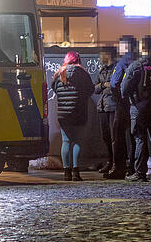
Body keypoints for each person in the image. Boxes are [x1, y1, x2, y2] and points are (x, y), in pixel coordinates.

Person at [121, 36, 151, 182]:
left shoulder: (136, 65)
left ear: (141, 48)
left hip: (139, 106)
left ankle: (140, 172)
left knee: (140, 139)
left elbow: (124, 88)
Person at [52, 51, 95, 181]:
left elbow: (54, 89)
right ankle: (76, 172)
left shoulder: (59, 73)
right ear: (77, 60)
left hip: (63, 114)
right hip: (78, 112)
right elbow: (91, 90)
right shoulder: (82, 73)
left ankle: (66, 172)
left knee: (66, 141)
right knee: (77, 141)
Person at [105, 36, 139, 179]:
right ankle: (133, 166)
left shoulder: (123, 61)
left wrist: (119, 100)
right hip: (137, 102)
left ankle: (119, 168)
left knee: (118, 136)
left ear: (126, 46)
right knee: (134, 136)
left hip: (123, 104)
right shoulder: (139, 60)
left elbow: (114, 83)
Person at [94, 49, 117, 174]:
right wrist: (104, 85)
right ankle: (110, 161)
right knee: (106, 136)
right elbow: (95, 88)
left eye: (101, 55)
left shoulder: (116, 68)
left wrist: (105, 86)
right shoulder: (102, 70)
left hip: (112, 106)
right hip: (102, 106)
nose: (100, 58)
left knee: (114, 136)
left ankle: (116, 163)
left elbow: (115, 87)